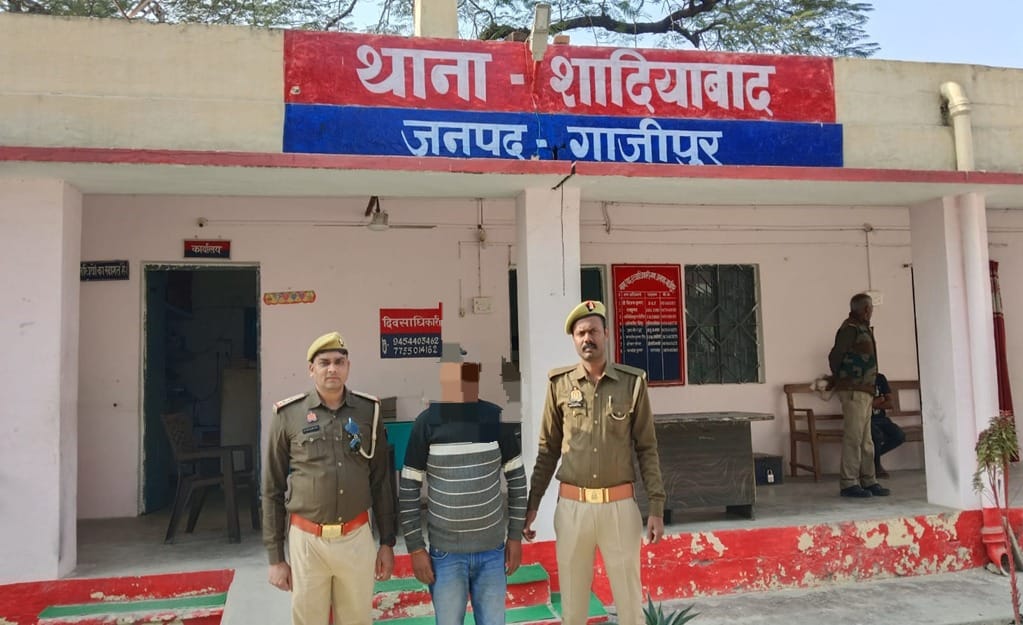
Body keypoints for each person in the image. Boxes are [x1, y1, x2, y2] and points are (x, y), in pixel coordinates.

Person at [522, 300, 665, 625]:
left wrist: (656, 506)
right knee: (573, 608)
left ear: (606, 334)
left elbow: (647, 447)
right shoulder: (559, 384)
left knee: (629, 605)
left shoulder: (632, 383)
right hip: (573, 510)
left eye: (593, 331)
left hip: (619, 508)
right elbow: (548, 450)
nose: (588, 338)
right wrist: (533, 504)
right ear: (574, 339)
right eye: (581, 333)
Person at [263, 331, 397, 625]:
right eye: (324, 362)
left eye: (339, 362)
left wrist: (387, 542)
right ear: (311, 369)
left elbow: (381, 482)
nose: (332, 369)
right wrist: (276, 557)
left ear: (348, 366)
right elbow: (272, 488)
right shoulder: (288, 414)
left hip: (356, 537)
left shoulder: (369, 411)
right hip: (307, 541)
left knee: (357, 620)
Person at [398, 343, 527, 625]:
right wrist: (416, 548)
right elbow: (408, 489)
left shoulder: (496, 419)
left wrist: (515, 536)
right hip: (446, 556)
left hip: (492, 552)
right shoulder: (426, 424)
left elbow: (517, 480)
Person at [828, 293, 891, 498]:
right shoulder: (850, 329)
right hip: (853, 390)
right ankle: (849, 482)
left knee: (866, 439)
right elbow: (835, 356)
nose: (871, 311)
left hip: (865, 391)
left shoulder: (863, 328)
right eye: (870, 308)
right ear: (865, 309)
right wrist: (843, 379)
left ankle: (868, 479)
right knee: (853, 437)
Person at [871, 372, 906, 478]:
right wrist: (880, 400)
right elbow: (860, 407)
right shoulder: (858, 379)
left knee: (899, 436)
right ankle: (877, 467)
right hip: (866, 420)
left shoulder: (880, 378)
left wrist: (874, 404)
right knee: (877, 436)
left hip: (882, 419)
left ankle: (870, 459)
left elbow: (890, 404)